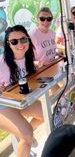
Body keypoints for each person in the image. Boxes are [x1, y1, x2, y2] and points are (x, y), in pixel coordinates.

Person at [0, 25, 43, 157]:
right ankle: (25, 136)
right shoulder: (2, 61)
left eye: (23, 40)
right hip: (3, 104)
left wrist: (36, 66)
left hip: (20, 100)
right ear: (9, 44)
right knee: (27, 135)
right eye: (14, 41)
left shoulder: (28, 57)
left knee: (45, 113)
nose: (20, 44)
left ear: (28, 40)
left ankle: (23, 134)